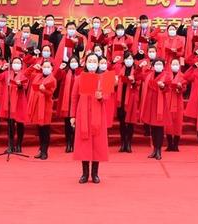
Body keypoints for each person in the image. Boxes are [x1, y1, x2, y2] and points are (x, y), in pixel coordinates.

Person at [70, 53, 111, 184]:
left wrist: (101, 97)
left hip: (98, 114)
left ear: (98, 63)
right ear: (85, 63)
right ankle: (84, 173)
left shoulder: (104, 77)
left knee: (97, 143)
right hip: (83, 114)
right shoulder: (79, 78)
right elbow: (74, 97)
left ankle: (95, 173)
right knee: (84, 143)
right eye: (90, 61)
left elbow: (108, 96)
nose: (92, 63)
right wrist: (72, 116)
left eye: (94, 61)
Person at [140, 58, 172, 160]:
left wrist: (162, 87)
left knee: (159, 129)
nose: (158, 66)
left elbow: (168, 88)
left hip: (160, 105)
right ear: (153, 66)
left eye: (160, 64)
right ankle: (154, 149)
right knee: (153, 129)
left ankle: (159, 150)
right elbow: (138, 76)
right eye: (157, 64)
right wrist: (140, 67)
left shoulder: (166, 75)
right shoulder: (149, 74)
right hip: (150, 104)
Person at [26, 60, 57, 160]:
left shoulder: (52, 79)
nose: (46, 68)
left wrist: (44, 90)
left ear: (51, 68)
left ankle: (45, 151)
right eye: (44, 66)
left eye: (48, 67)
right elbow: (26, 75)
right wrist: (33, 67)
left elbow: (51, 93)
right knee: (40, 129)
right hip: (37, 105)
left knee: (45, 129)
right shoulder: (37, 76)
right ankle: (40, 149)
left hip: (46, 106)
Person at [0, 57, 29, 153]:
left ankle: (19, 144)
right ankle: (11, 145)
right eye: (14, 62)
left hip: (20, 101)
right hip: (10, 101)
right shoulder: (7, 73)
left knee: (20, 124)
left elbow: (26, 85)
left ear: (21, 65)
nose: (16, 64)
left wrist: (20, 85)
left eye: (18, 62)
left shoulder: (24, 74)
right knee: (10, 125)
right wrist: (2, 69)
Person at [115, 51, 141, 152]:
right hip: (121, 99)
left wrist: (134, 81)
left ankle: (129, 143)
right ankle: (123, 143)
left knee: (130, 123)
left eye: (130, 58)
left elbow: (139, 82)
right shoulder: (120, 70)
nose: (128, 60)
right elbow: (115, 82)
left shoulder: (136, 71)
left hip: (131, 99)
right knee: (122, 122)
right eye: (127, 59)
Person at [55, 55, 81, 153]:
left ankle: (74, 143)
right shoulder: (65, 72)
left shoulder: (81, 73)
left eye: (75, 61)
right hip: (66, 102)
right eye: (72, 62)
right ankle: (68, 143)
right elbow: (56, 78)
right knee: (67, 124)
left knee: (76, 125)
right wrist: (59, 69)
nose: (74, 63)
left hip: (77, 101)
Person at [166, 58, 186, 152]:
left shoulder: (182, 76)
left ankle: (176, 144)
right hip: (168, 99)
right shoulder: (167, 75)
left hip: (178, 100)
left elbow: (185, 88)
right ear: (170, 65)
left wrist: (180, 88)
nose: (175, 66)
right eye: (173, 64)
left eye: (176, 64)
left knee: (178, 122)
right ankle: (169, 144)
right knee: (168, 122)